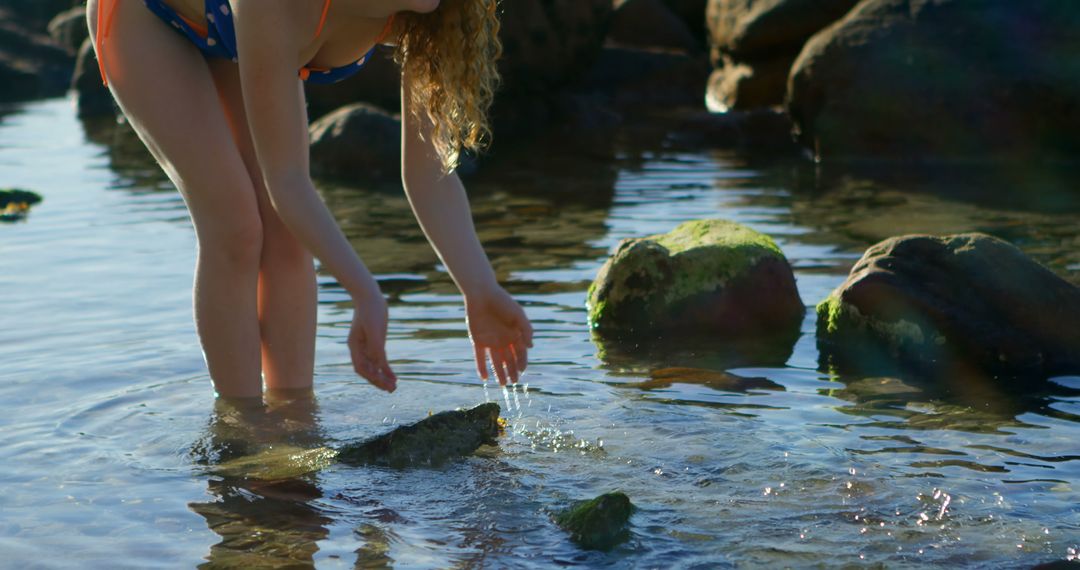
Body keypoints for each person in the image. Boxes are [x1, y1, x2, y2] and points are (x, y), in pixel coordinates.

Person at [86, 0, 533, 399]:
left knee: (288, 234)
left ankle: (294, 419)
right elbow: (288, 180)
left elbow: (428, 173)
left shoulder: (428, 15)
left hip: (229, 32)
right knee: (236, 225)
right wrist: (366, 294)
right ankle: (240, 434)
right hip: (144, 17)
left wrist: (479, 286)